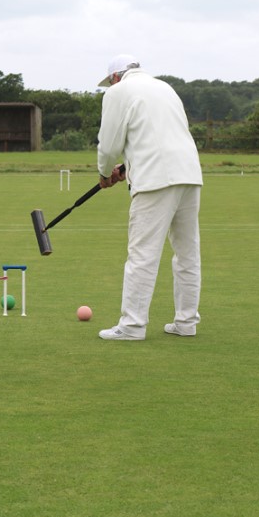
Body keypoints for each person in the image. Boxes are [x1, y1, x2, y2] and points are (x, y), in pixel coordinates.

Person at [96, 54, 203, 341]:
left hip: (157, 178)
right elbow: (154, 135)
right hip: (190, 174)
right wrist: (127, 166)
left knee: (142, 254)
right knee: (187, 252)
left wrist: (105, 173)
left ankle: (131, 326)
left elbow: (109, 144)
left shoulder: (118, 92)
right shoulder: (165, 87)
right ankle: (186, 322)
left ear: (116, 77)